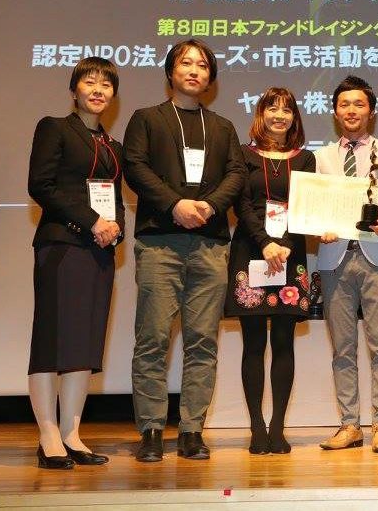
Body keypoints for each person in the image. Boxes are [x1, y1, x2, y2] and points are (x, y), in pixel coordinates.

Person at [123, 39, 246, 462]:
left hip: (211, 245)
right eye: (186, 63)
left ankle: (192, 429)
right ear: (170, 72)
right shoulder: (147, 119)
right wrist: (174, 204)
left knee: (202, 342)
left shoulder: (223, 127)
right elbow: (134, 167)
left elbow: (236, 174)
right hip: (159, 241)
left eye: (202, 65)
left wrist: (209, 207)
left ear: (211, 77)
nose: (194, 70)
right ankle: (151, 429)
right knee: (152, 338)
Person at [27, 57, 124, 469]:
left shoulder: (113, 146)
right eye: (89, 81)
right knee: (53, 339)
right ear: (74, 89)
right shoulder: (54, 128)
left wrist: (115, 230)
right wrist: (91, 222)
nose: (98, 90)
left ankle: (72, 433)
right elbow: (41, 185)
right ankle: (48, 435)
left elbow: (114, 199)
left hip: (99, 251)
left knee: (84, 340)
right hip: (62, 245)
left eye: (106, 84)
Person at [315, 76, 378, 453]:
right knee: (343, 348)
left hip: (377, 255)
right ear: (335, 112)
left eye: (359, 104)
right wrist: (318, 227)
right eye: (344, 105)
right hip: (335, 257)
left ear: (371, 111)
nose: (351, 110)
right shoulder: (320, 157)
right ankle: (349, 425)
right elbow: (314, 205)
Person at [225, 88, 315, 455]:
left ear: (295, 118)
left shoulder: (305, 158)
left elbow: (305, 205)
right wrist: (264, 242)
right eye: (272, 108)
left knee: (283, 341)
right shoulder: (243, 154)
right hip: (251, 250)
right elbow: (241, 204)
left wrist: (286, 244)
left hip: (290, 254)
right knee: (253, 343)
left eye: (287, 110)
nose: (279, 115)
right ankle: (256, 427)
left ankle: (277, 427)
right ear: (260, 114)